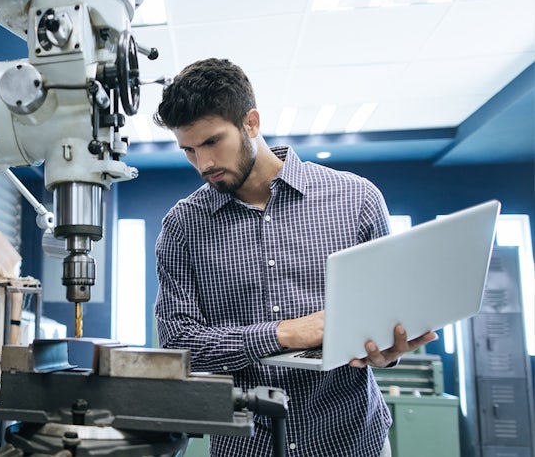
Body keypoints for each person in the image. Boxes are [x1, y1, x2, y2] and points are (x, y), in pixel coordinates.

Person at [152, 58, 437, 457]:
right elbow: (178, 345)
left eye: (212, 142)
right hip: (247, 447)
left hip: (352, 441)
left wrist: (386, 353)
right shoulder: (183, 227)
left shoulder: (357, 200)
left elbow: (385, 317)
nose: (204, 165)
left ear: (251, 122)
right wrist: (282, 333)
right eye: (189, 151)